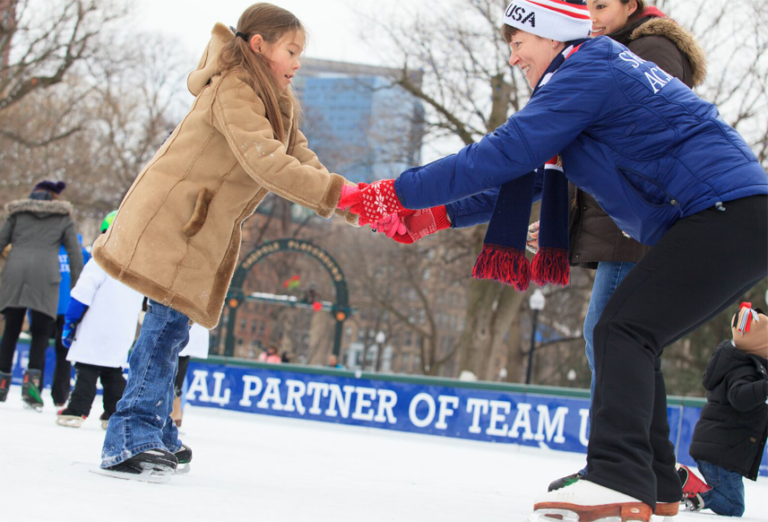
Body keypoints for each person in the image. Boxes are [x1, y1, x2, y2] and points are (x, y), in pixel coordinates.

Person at [340, 0, 768, 519]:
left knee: (621, 330)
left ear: (548, 36)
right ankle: (654, 480)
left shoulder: (589, 68)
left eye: (518, 44)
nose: (514, 59)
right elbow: (532, 174)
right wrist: (432, 215)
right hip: (731, 217)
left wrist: (396, 192)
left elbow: (502, 153)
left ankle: (617, 477)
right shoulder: (588, 71)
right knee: (632, 333)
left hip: (724, 213)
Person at [91, 3, 358, 477]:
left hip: (199, 225)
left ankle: (155, 427)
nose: (298, 63)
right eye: (292, 51)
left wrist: (356, 203)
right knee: (167, 324)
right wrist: (338, 195)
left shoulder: (275, 101)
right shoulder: (234, 89)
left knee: (174, 326)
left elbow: (299, 156)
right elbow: (267, 162)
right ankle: (129, 431)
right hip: (175, 218)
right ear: (259, 45)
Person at [541, 0, 707, 507]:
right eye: (584, 4)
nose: (590, 13)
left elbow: (627, 139)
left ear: (631, 6)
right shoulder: (617, 48)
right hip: (620, 221)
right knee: (620, 341)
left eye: (602, 5)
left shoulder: (650, 49)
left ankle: (620, 465)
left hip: (635, 222)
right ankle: (658, 468)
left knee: (609, 336)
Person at [677, 303, 768, 516]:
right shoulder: (745, 369)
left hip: (720, 451)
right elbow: (740, 397)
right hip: (721, 455)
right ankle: (688, 486)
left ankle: (693, 492)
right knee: (734, 506)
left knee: (732, 501)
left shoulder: (737, 363)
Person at [0, 181, 84, 410]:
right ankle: (32, 384)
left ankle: (2, 381)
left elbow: (1, 242)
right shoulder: (63, 217)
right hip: (45, 276)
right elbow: (75, 256)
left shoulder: (18, 213)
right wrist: (78, 286)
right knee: (40, 331)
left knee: (11, 328)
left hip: (15, 271)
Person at [56, 211, 143, 429]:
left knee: (86, 370)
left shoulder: (99, 263)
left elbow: (80, 296)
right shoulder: (137, 269)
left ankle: (76, 411)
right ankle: (113, 413)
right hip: (122, 332)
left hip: (95, 330)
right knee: (113, 373)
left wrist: (70, 323)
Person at [52, 233, 91, 407]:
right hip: (69, 310)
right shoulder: (82, 253)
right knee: (64, 354)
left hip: (50, 306)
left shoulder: (52, 249)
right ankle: (60, 397)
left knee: (43, 349)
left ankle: (36, 389)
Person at [170, 322, 210, 429]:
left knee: (178, 358)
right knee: (180, 359)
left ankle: (175, 408)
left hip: (185, 322)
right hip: (189, 323)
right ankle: (176, 408)